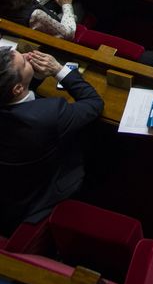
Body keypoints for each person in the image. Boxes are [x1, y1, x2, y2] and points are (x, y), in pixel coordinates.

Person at [0, 46, 103, 234]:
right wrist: (59, 70)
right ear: (17, 88)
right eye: (23, 63)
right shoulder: (48, 114)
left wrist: (31, 76)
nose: (26, 55)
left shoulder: (10, 96)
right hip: (39, 200)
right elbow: (93, 103)